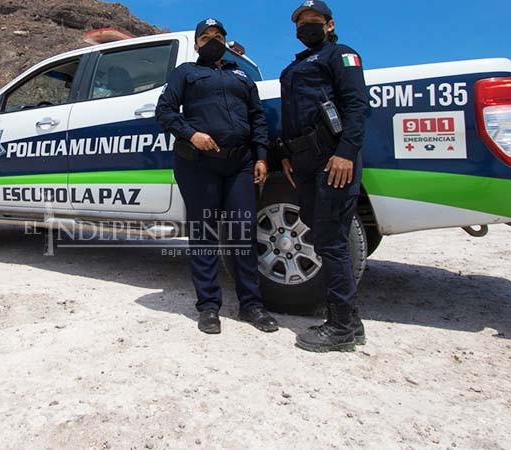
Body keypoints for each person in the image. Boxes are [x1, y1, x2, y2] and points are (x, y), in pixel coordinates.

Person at [156, 18, 278, 335]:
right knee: (205, 235)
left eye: (218, 36)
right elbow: (165, 111)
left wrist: (262, 156)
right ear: (196, 43)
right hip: (199, 164)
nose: (212, 40)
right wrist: (191, 134)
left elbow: (257, 119)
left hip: (240, 164)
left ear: (226, 41)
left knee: (243, 234)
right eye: (206, 36)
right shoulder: (185, 73)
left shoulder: (241, 76)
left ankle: (252, 306)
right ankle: (208, 307)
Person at [278, 1, 368, 352]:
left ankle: (341, 327)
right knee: (321, 236)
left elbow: (358, 106)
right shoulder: (297, 65)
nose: (306, 27)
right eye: (301, 23)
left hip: (332, 160)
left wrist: (345, 152)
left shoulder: (341, 56)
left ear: (329, 25)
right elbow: (292, 115)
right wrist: (287, 153)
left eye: (313, 21)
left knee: (331, 242)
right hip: (304, 161)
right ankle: (351, 322)